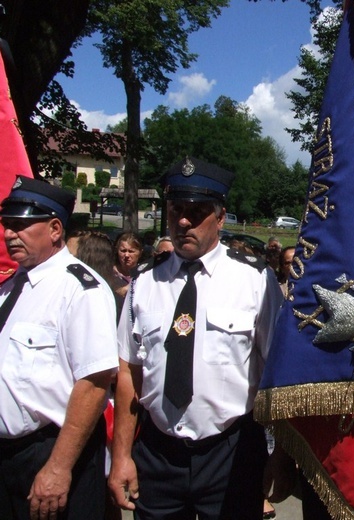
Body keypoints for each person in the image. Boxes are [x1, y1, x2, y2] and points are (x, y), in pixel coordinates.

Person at [108, 157, 285, 520]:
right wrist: (122, 455)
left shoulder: (255, 281)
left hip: (231, 451)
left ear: (220, 218)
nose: (183, 221)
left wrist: (281, 454)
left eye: (197, 211)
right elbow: (129, 371)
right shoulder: (145, 283)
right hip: (158, 453)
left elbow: (278, 373)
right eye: (176, 210)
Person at [0, 176, 118, 520]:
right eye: (7, 224)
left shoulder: (80, 289)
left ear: (55, 229)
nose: (9, 234)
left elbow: (93, 384)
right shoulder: (11, 287)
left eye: (21, 225)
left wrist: (57, 468)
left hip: (49, 452)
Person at [113, 232, 143, 298]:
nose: (126, 255)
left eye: (131, 251)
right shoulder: (109, 274)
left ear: (140, 253)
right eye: (123, 251)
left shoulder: (145, 275)